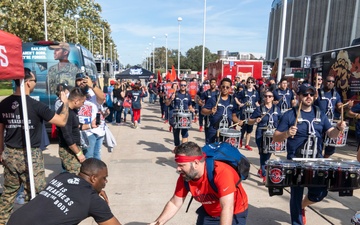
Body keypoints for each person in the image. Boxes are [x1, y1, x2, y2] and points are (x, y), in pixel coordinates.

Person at [0, 68, 70, 224]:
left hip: (10, 153)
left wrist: (1, 151)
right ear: (27, 82)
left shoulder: (4, 104)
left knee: (9, 193)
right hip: (30, 155)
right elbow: (61, 121)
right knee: (36, 192)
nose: (34, 83)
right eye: (34, 80)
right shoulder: (36, 106)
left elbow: (0, 131)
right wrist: (65, 104)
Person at [273, 83, 346, 225]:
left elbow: (331, 134)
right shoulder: (290, 114)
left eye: (311, 94)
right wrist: (287, 133)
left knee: (320, 193)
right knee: (296, 195)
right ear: (299, 96)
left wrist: (338, 128)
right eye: (305, 94)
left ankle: (303, 205)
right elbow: (276, 137)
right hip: (296, 161)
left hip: (316, 161)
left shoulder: (319, 113)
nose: (308, 97)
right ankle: (297, 221)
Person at [148, 142, 248, 225]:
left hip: (234, 212)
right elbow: (175, 203)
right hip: (209, 213)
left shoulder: (221, 172)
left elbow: (227, 207)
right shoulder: (185, 176)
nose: (178, 169)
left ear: (196, 163)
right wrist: (157, 223)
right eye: (177, 165)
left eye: (181, 165)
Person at [7, 158, 122, 225]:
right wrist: (95, 196)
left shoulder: (63, 177)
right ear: (93, 178)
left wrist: (95, 191)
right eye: (104, 178)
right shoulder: (93, 201)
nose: (105, 182)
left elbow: (74, 191)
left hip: (15, 220)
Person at [314, 75, 352, 158]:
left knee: (331, 147)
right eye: (328, 81)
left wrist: (347, 106)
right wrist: (314, 97)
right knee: (318, 144)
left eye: (332, 82)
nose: (331, 83)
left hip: (330, 123)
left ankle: (325, 160)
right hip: (319, 122)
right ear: (324, 81)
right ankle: (319, 159)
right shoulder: (318, 92)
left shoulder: (336, 94)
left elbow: (339, 107)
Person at [247, 90, 281, 183]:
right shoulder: (259, 109)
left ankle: (262, 169)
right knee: (263, 152)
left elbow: (281, 120)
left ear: (273, 98)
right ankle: (265, 174)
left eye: (270, 96)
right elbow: (249, 120)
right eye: (266, 96)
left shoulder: (277, 109)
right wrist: (255, 120)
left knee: (269, 152)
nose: (267, 98)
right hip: (261, 133)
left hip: (272, 134)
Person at [57, 87, 90, 174]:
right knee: (75, 174)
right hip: (69, 149)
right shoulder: (65, 112)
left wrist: (89, 125)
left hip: (74, 147)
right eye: (82, 102)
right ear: (76, 101)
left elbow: (75, 126)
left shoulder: (73, 111)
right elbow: (67, 135)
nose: (83, 105)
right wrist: (78, 153)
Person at [202, 78, 241, 144]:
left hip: (226, 130)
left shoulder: (232, 100)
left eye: (227, 87)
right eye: (223, 86)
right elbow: (203, 111)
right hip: (214, 129)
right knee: (211, 151)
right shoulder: (214, 98)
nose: (225, 88)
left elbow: (233, 115)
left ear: (230, 88)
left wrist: (238, 121)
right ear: (220, 87)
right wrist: (210, 111)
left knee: (224, 152)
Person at [166, 80, 194, 152]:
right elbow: (167, 104)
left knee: (185, 132)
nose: (183, 86)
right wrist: (171, 99)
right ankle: (177, 147)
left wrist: (191, 109)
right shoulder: (175, 94)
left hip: (185, 116)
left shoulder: (188, 95)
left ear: (186, 86)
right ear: (179, 85)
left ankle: (184, 149)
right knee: (176, 132)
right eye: (182, 85)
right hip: (176, 116)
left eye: (184, 85)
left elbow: (190, 105)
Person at [234, 76, 260, 150]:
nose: (250, 84)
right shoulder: (243, 92)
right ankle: (240, 141)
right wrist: (240, 104)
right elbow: (236, 97)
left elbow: (256, 102)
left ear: (254, 83)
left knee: (250, 129)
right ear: (246, 83)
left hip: (252, 113)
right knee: (243, 128)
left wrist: (259, 108)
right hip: (244, 112)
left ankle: (247, 144)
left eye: (251, 82)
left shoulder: (256, 92)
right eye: (249, 82)